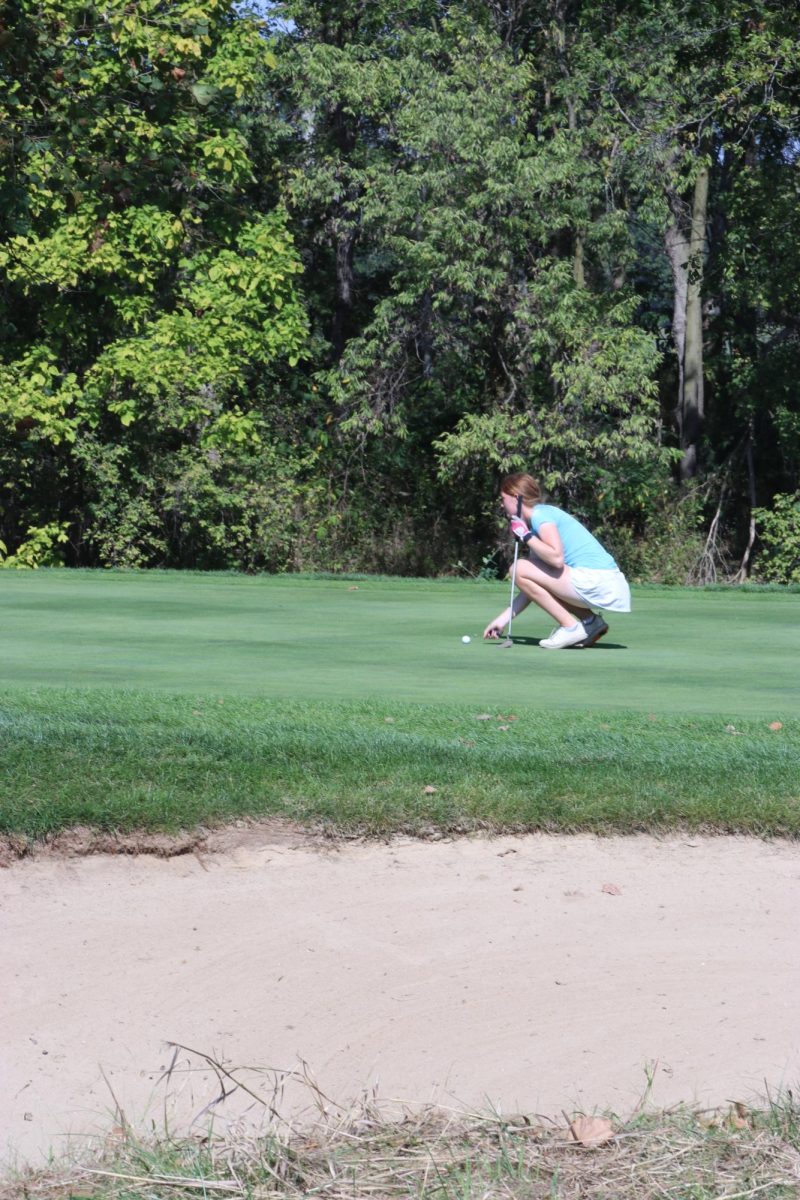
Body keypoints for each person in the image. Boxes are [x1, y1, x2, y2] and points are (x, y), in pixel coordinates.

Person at [483, 472, 631, 649]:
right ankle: (590, 621)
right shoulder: (538, 519)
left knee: (518, 568)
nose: (502, 504)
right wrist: (502, 620)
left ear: (516, 498)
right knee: (523, 570)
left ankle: (570, 627)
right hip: (603, 582)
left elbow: (557, 558)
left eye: (503, 498)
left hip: (598, 581)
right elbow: (531, 586)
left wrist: (526, 535)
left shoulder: (540, 516)